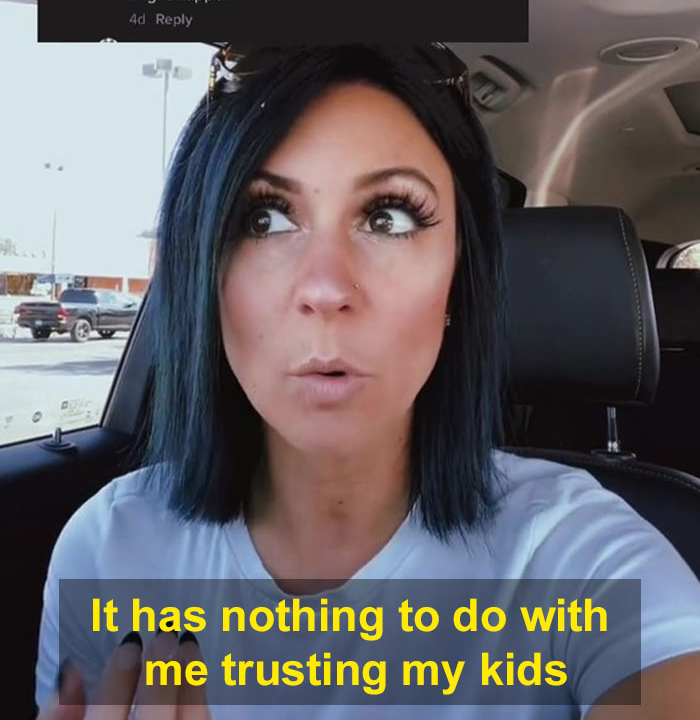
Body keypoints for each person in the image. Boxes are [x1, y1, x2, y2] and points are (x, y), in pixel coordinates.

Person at [36, 44, 700, 718]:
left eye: (389, 218)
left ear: (457, 278)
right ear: (205, 273)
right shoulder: (110, 547)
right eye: (263, 219)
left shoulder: (576, 553)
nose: (326, 288)